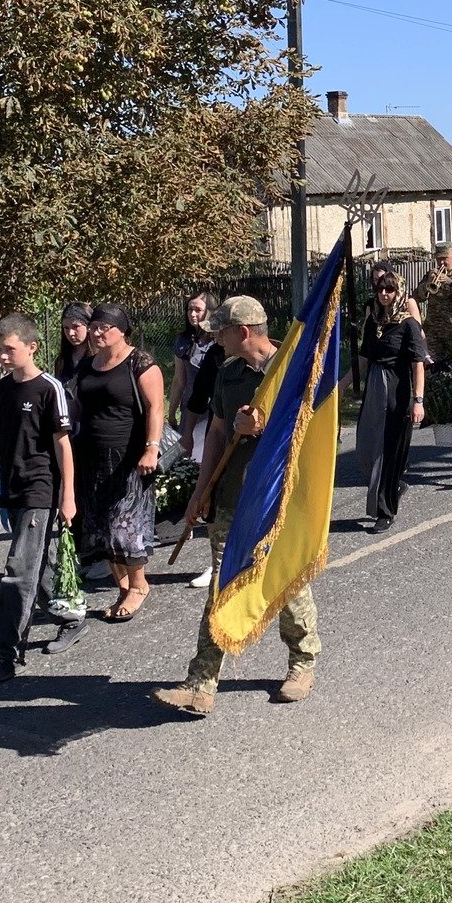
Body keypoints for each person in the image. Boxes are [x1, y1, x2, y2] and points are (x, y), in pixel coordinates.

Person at [154, 295, 321, 712]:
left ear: (243, 332)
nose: (216, 339)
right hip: (231, 495)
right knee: (222, 585)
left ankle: (302, 662)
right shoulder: (227, 372)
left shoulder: (294, 370)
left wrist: (262, 428)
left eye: (221, 332)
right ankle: (201, 683)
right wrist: (200, 491)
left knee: (285, 582)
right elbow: (217, 432)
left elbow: (313, 435)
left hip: (279, 499)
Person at [0, 316, 79, 685]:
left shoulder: (49, 389)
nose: (2, 356)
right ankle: (70, 618)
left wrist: (68, 496)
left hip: (40, 490)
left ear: (32, 347)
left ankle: (8, 655)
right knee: (38, 568)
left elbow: (63, 446)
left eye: (9, 349)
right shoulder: (3, 388)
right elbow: (4, 442)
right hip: (12, 488)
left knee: (17, 571)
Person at [72, 303, 164, 621]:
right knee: (101, 528)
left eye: (103, 327)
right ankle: (123, 588)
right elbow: (78, 408)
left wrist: (151, 448)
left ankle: (139, 586)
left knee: (123, 526)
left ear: (121, 330)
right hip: (90, 457)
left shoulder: (141, 363)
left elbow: (155, 408)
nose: (96, 333)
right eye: (93, 327)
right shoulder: (88, 365)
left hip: (129, 458)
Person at [354, 266, 427, 530]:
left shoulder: (408, 324)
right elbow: (364, 357)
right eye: (380, 289)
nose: (384, 294)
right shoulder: (374, 321)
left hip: (397, 388)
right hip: (375, 387)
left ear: (399, 292)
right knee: (367, 446)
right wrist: (340, 387)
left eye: (390, 289)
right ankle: (393, 486)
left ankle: (385, 510)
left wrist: (418, 401)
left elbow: (418, 363)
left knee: (389, 451)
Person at [414, 245, 452, 374]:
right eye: (438, 259)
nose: (441, 262)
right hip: (433, 330)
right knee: (431, 367)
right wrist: (427, 283)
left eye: (445, 258)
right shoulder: (431, 274)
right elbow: (416, 297)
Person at [167, 291, 219, 434]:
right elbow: (179, 381)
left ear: (210, 312)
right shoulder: (182, 341)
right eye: (190, 309)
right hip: (190, 408)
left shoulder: (221, 341)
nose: (192, 314)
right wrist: (171, 413)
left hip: (216, 412)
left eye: (198, 310)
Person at [54, 303, 95, 385]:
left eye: (76, 326)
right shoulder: (61, 361)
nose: (71, 333)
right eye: (66, 328)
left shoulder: (100, 358)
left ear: (89, 326)